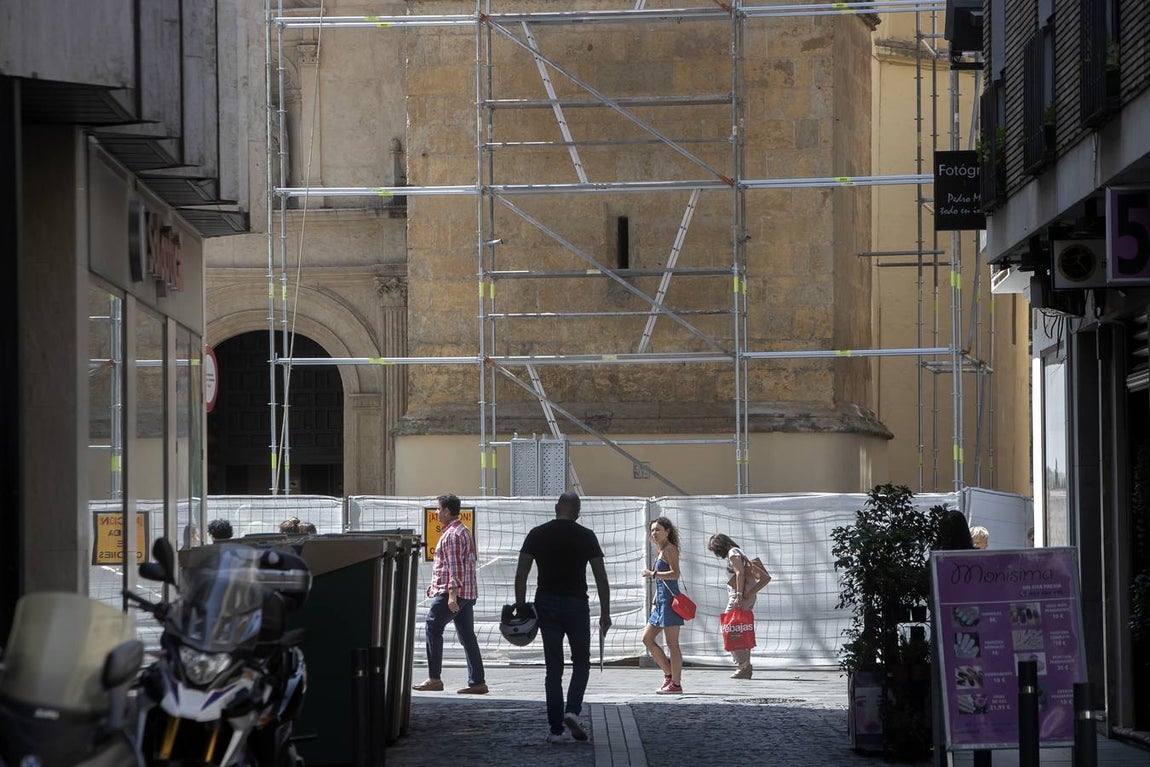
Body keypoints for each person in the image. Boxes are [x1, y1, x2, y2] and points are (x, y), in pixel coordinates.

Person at [515, 492, 611, 744]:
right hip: (577, 604)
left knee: (553, 668)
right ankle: (573, 711)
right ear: (577, 512)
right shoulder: (586, 536)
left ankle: (556, 729)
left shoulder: (538, 533)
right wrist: (605, 611)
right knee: (581, 661)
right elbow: (601, 576)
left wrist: (521, 604)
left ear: (556, 507)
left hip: (546, 604)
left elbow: (522, 571)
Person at [413, 494, 487, 695]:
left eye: (438, 509)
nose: (436, 512)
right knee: (467, 635)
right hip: (466, 592)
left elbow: (454, 568)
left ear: (446, 511)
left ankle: (434, 679)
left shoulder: (452, 535)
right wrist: (434, 586)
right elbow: (458, 565)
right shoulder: (462, 531)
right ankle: (478, 681)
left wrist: (451, 594)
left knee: (432, 627)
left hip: (453, 592)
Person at [707, 532, 761, 679]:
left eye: (715, 549)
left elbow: (740, 573)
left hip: (739, 596)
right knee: (741, 629)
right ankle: (745, 666)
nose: (716, 553)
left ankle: (743, 664)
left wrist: (737, 595)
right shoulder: (738, 551)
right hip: (745, 596)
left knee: (729, 628)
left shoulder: (732, 552)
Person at [641, 516, 684, 694]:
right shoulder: (660, 550)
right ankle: (668, 674)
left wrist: (653, 573)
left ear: (667, 531)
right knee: (647, 639)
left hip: (670, 602)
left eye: (658, 529)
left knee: (672, 644)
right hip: (660, 603)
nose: (654, 533)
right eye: (652, 530)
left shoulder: (670, 549)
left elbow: (675, 574)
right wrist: (654, 601)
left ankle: (676, 683)